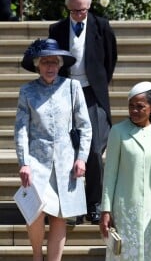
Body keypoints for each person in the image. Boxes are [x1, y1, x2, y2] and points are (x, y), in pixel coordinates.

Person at [14, 38, 92, 261]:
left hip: (67, 163)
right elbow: (20, 129)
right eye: (46, 62)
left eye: (54, 62)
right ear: (38, 64)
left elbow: (85, 126)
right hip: (36, 162)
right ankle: (37, 257)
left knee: (60, 216)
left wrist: (82, 158)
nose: (50, 67)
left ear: (60, 65)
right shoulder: (27, 90)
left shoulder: (72, 87)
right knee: (35, 213)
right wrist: (24, 163)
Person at [49, 0, 118, 224]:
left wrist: (99, 83)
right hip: (66, 91)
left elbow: (110, 58)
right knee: (68, 149)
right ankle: (73, 205)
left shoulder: (101, 25)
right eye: (76, 11)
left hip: (92, 92)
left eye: (84, 10)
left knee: (95, 150)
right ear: (68, 8)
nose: (80, 14)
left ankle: (94, 203)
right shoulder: (56, 29)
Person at [100, 81, 151, 261]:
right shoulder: (118, 131)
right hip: (124, 209)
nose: (134, 111)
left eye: (140, 106)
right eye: (131, 106)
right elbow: (110, 174)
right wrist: (105, 210)